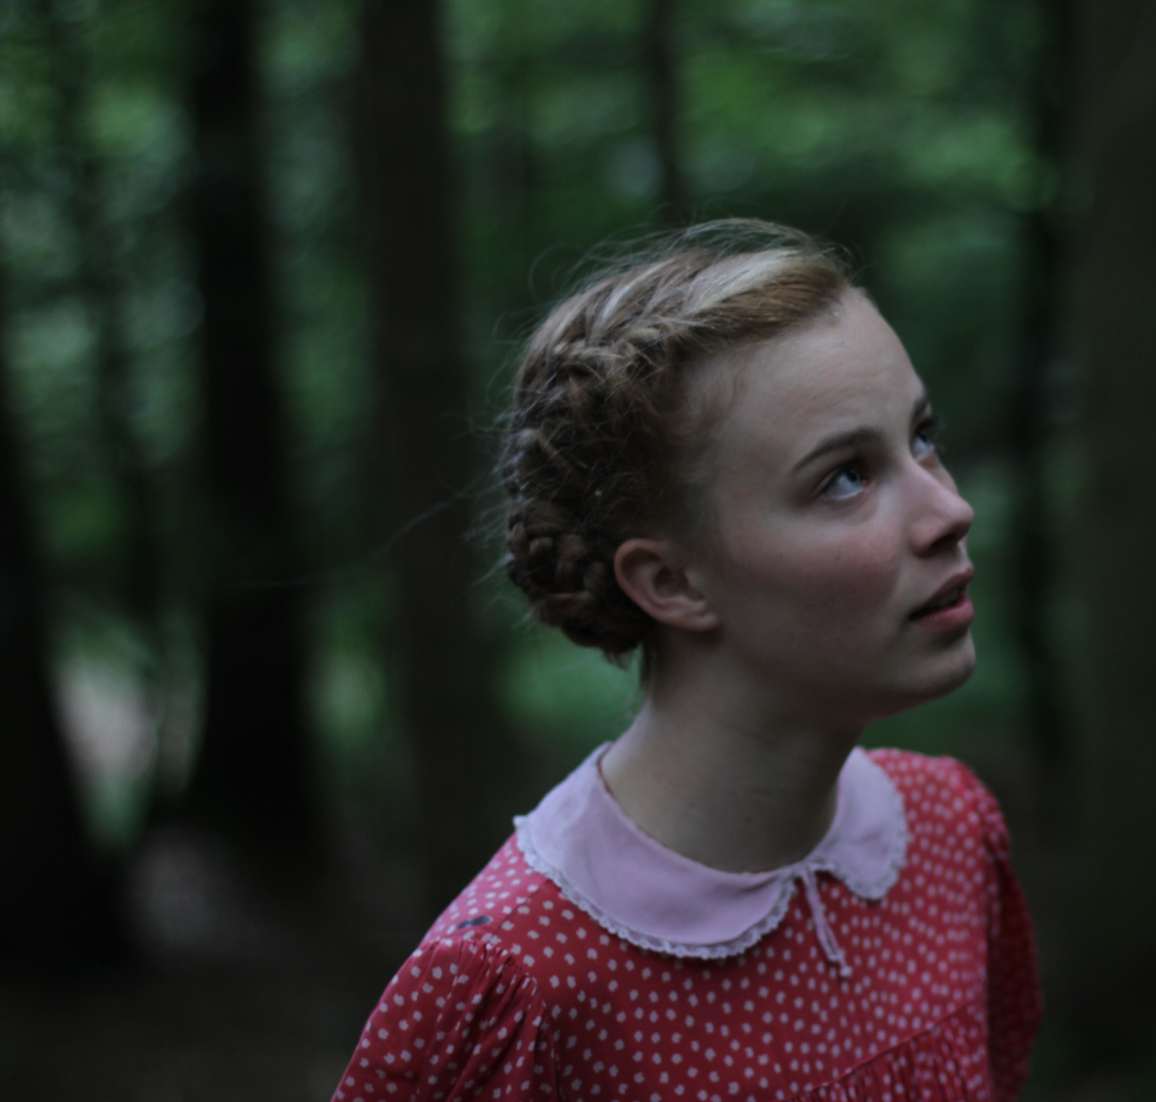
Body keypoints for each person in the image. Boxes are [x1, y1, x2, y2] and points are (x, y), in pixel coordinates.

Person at [332, 220, 1041, 1101]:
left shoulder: (947, 836)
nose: (948, 510)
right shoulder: (519, 981)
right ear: (672, 582)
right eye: (844, 477)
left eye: (922, 436)